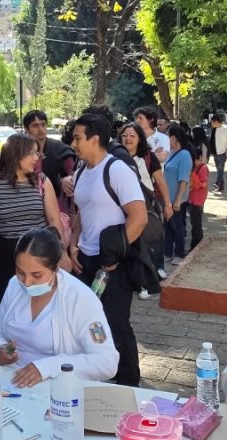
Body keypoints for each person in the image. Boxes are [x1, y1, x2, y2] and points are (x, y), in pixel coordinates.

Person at [68, 113, 147, 386]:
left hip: (113, 265)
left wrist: (113, 257)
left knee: (116, 324)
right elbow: (82, 213)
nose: (73, 143)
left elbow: (139, 217)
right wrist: (73, 242)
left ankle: (128, 385)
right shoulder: (81, 171)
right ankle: (96, 377)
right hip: (86, 260)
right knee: (88, 323)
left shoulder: (117, 170)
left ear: (95, 139)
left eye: (78, 138)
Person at [0, 227, 119, 387]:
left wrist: (46, 367)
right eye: (20, 272)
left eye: (37, 275)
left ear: (56, 267)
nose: (27, 282)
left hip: (61, 390)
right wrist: (0, 349)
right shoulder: (14, 285)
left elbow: (106, 362)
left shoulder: (81, 299)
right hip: (10, 381)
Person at [0, 133, 65, 303]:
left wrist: (61, 253)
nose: (36, 158)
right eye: (31, 153)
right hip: (5, 254)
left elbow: (54, 220)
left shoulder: (41, 181)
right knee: (10, 303)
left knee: (42, 302)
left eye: (37, 153)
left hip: (39, 251)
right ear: (16, 154)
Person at [118, 122, 172, 285]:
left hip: (146, 205)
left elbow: (161, 182)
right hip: (121, 208)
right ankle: (136, 280)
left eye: (132, 136)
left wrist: (168, 205)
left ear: (140, 139)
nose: (128, 139)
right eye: (125, 135)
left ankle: (149, 276)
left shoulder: (148, 157)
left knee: (147, 241)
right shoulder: (114, 158)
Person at [162, 124, 194, 265]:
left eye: (169, 136)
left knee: (178, 226)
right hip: (167, 196)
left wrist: (178, 200)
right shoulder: (172, 153)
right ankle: (167, 252)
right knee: (167, 226)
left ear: (174, 137)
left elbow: (184, 180)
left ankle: (179, 253)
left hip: (177, 197)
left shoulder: (185, 155)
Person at [188, 147, 209, 251]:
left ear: (199, 158)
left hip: (198, 199)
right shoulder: (195, 168)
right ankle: (195, 244)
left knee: (196, 224)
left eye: (194, 161)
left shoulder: (203, 168)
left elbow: (204, 183)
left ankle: (196, 245)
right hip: (193, 198)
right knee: (194, 222)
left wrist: (195, 183)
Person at [209, 113, 227, 193]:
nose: (211, 124)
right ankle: (221, 186)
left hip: (223, 152)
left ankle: (217, 182)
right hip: (216, 152)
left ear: (216, 122)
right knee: (219, 169)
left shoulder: (226, 128)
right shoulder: (214, 130)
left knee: (220, 168)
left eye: (212, 122)